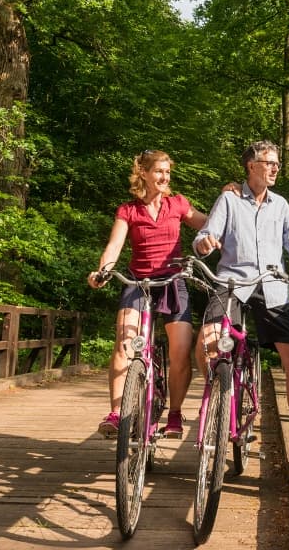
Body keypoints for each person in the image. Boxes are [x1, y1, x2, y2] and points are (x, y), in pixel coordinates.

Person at [193, 140, 289, 476]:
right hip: (232, 284)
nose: (275, 168)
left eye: (277, 163)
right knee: (206, 343)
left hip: (272, 288)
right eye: (269, 162)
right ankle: (220, 397)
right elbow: (207, 235)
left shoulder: (281, 206)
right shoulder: (228, 198)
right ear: (251, 165)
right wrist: (204, 243)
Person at [88, 149, 210, 440]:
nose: (164, 177)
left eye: (167, 172)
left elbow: (210, 224)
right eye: (158, 171)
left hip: (173, 280)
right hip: (137, 282)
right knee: (124, 344)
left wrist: (232, 198)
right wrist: (102, 271)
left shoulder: (178, 204)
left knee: (181, 351)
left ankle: (176, 414)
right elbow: (114, 246)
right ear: (143, 173)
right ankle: (117, 414)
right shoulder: (128, 210)